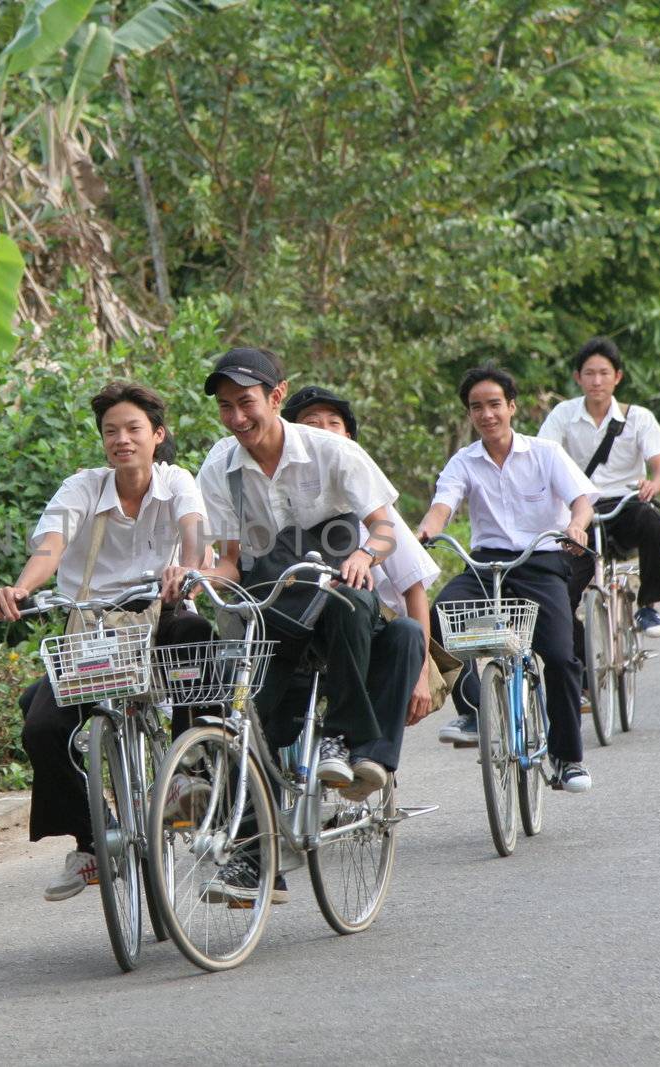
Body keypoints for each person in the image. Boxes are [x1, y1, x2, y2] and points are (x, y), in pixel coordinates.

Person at [193, 348, 423, 901]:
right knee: (247, 725)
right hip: (270, 611)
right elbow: (228, 559)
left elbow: (385, 529)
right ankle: (253, 860)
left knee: (362, 609)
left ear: (276, 396)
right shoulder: (220, 468)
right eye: (225, 407)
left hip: (337, 601)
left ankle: (345, 741)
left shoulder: (332, 453)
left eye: (245, 402)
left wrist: (366, 556)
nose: (236, 418)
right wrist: (199, 578)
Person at [0, 382, 212, 903]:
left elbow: (194, 529)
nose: (122, 440)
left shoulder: (177, 481)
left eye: (134, 429)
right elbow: (52, 545)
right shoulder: (83, 487)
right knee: (43, 727)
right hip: (95, 629)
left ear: (158, 435)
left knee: (196, 633)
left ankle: (186, 771)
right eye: (112, 431)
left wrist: (189, 568)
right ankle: (92, 839)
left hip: (163, 614)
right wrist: (22, 587)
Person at [416, 365, 598, 793]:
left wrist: (576, 526)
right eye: (476, 407)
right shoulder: (464, 461)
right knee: (440, 617)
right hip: (485, 562)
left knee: (559, 653)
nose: (487, 414)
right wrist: (424, 530)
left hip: (542, 559)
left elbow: (581, 501)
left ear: (511, 407)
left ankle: (568, 757)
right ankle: (473, 708)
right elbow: (442, 505)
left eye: (495, 404)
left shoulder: (545, 452)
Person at [281, 384, 459, 787]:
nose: (325, 432)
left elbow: (415, 589)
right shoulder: (278, 500)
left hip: (367, 640)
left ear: (349, 439)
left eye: (334, 424)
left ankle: (371, 761)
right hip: (302, 635)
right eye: (312, 424)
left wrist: (419, 674)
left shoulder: (374, 510)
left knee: (400, 628)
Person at [537, 337, 660, 642]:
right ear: (577, 378)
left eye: (604, 373)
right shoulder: (563, 414)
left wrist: (651, 486)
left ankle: (648, 604)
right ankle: (581, 670)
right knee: (560, 594)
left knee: (653, 522)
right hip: (579, 511)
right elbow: (542, 460)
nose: (597, 381)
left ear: (617, 377)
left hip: (625, 505)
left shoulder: (639, 417)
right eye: (589, 373)